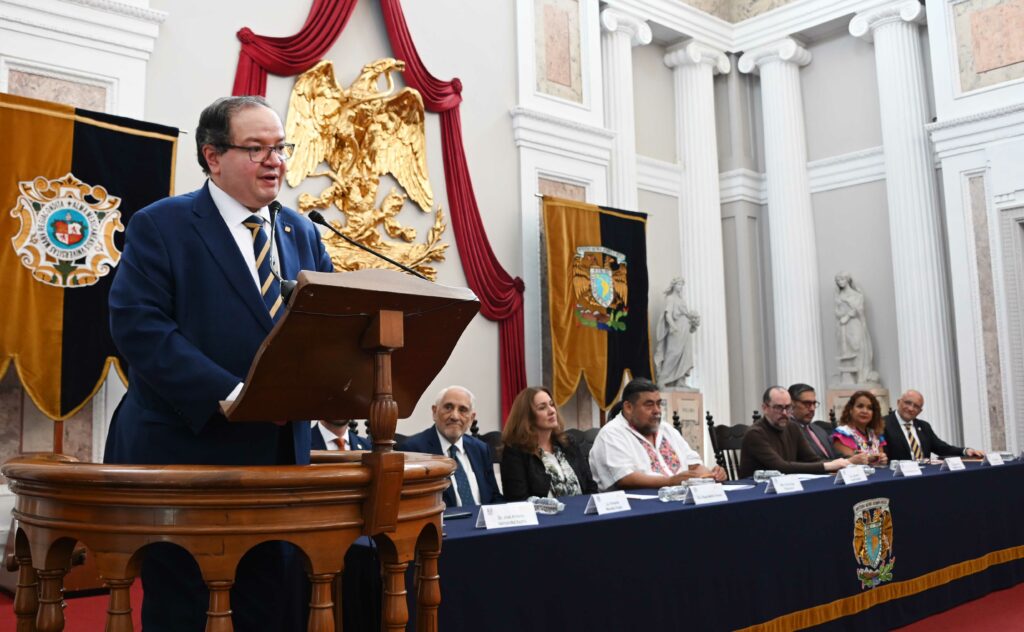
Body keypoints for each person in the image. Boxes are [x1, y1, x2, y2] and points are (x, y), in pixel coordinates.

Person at [103, 96, 333, 631]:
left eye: (279, 147)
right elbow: (140, 327)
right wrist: (231, 393)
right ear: (213, 156)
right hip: (188, 454)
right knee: (188, 609)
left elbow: (324, 330)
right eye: (256, 149)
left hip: (277, 464)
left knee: (269, 607)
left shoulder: (303, 232)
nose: (274, 160)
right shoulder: (162, 225)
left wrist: (334, 391)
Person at [588, 378, 725, 491]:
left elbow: (694, 465)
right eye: (649, 405)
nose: (657, 411)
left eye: (659, 404)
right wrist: (670, 482)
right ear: (628, 407)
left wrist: (710, 474)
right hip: (636, 509)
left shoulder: (667, 429)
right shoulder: (611, 434)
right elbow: (625, 478)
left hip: (679, 500)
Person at [398, 385, 503, 507]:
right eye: (448, 407)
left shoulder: (480, 449)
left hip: (482, 522)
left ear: (471, 418)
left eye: (463, 410)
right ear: (434, 412)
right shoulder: (414, 450)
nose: (454, 416)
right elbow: (412, 505)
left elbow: (494, 496)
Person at [499, 386, 598, 501]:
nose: (552, 411)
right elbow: (518, 500)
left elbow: (590, 486)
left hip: (582, 514)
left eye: (551, 404)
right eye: (542, 408)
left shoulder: (569, 443)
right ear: (527, 417)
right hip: (544, 518)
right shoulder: (515, 452)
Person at [739, 386, 854, 479]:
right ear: (765, 408)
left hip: (787, 487)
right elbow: (781, 467)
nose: (784, 413)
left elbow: (812, 459)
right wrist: (829, 465)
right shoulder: (755, 433)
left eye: (788, 408)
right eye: (779, 408)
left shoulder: (792, 427)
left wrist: (846, 465)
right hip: (758, 493)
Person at [884, 390, 984, 460]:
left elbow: (942, 448)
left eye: (916, 406)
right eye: (908, 403)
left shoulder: (924, 426)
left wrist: (965, 451)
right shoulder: (882, 424)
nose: (911, 408)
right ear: (898, 402)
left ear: (920, 411)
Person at [654, 277, 700, 389]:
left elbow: (686, 314)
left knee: (685, 354)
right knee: (673, 354)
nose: (680, 287)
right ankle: (663, 379)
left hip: (685, 329)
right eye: (679, 284)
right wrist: (673, 326)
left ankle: (680, 380)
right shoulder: (670, 298)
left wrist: (694, 320)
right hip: (676, 329)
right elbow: (668, 314)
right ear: (674, 285)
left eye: (682, 285)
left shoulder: (682, 300)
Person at [834, 272, 879, 385]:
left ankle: (861, 377)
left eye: (842, 279)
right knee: (846, 350)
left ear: (847, 280)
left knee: (857, 347)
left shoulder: (857, 295)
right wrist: (842, 316)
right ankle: (849, 378)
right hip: (843, 326)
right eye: (838, 280)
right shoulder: (837, 296)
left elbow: (858, 310)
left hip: (854, 324)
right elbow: (837, 311)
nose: (840, 282)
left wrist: (847, 316)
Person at [831, 391, 889, 466]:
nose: (865, 411)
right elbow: (852, 462)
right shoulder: (843, 433)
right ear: (850, 410)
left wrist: (882, 459)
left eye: (870, 408)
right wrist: (875, 459)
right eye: (860, 406)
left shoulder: (875, 434)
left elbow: (880, 458)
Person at [788, 383, 838, 460]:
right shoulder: (787, 430)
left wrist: (852, 460)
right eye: (807, 403)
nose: (812, 409)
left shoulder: (819, 430)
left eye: (814, 403)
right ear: (791, 404)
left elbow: (837, 455)